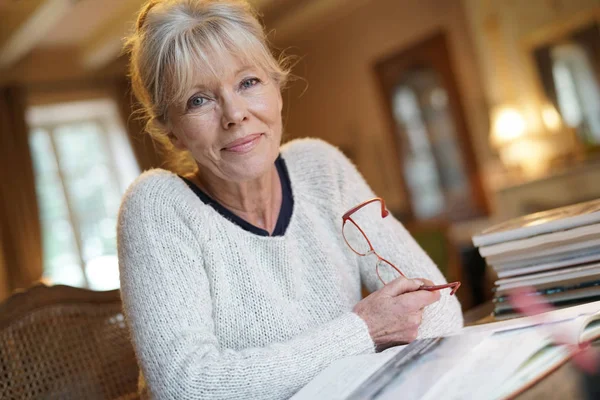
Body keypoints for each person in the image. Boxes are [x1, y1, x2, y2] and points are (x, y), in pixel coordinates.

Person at [117, 0, 463, 399]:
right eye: (199, 100)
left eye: (248, 83)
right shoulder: (157, 206)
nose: (234, 114)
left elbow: (439, 306)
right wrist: (363, 331)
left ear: (276, 88)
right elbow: (188, 387)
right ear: (171, 129)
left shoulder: (321, 167)